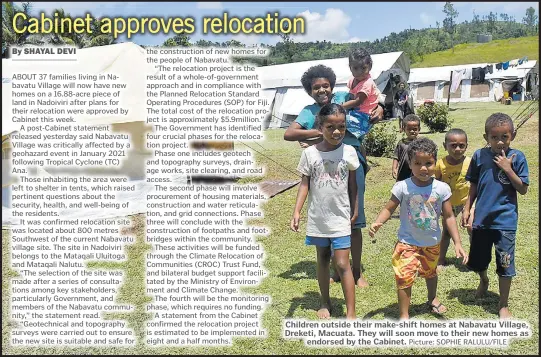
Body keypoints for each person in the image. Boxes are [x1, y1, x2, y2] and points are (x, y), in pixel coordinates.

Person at [284, 64, 385, 288]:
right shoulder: (310, 112)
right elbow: (289, 133)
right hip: (325, 167)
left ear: (332, 86)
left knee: (354, 220)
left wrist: (380, 109)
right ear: (310, 91)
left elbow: (369, 101)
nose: (322, 90)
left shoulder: (342, 97)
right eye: (316, 87)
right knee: (330, 217)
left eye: (325, 86)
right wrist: (318, 132)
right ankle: (337, 269)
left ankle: (356, 272)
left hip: (351, 162)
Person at [369, 137, 468, 320]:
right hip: (407, 242)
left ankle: (432, 299)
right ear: (410, 163)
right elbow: (389, 208)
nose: (423, 168)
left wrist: (458, 242)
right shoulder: (402, 187)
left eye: (428, 163)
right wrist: (378, 222)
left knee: (431, 273)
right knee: (404, 278)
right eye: (418, 163)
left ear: (435, 162)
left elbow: (448, 216)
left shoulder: (442, 188)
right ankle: (404, 314)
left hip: (432, 242)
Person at [290, 103, 358, 320]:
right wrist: (297, 211)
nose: (336, 132)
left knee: (341, 263)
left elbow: (354, 185)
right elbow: (304, 184)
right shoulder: (309, 154)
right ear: (320, 127)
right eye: (330, 127)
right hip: (318, 218)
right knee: (322, 258)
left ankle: (351, 312)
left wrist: (356, 208)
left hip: (341, 216)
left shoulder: (349, 151)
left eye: (341, 127)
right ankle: (324, 301)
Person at [462, 113, 529, 319]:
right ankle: (483, 280)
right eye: (494, 137)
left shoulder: (517, 158)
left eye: (505, 137)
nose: (500, 142)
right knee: (479, 260)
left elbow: (523, 189)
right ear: (486, 137)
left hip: (505, 222)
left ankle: (503, 304)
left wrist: (508, 169)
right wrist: (467, 208)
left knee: (505, 263)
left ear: (513, 136)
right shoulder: (479, 156)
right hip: (482, 220)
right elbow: (473, 185)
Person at [435, 128, 473, 273]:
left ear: (466, 146)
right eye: (453, 145)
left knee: (471, 227)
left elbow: (475, 183)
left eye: (461, 145)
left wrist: (470, 206)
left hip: (466, 202)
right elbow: (437, 184)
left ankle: (473, 258)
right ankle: (441, 259)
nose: (457, 149)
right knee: (446, 232)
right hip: (448, 203)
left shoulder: (470, 162)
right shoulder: (441, 164)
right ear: (445, 146)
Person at [341, 48, 380, 141]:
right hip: (355, 112)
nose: (359, 72)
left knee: (339, 123)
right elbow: (351, 94)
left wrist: (341, 106)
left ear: (370, 66)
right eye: (355, 68)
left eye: (363, 68)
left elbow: (357, 101)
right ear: (350, 67)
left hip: (365, 115)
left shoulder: (367, 83)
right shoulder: (352, 79)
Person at [392, 114, 420, 182]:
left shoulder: (421, 143)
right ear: (404, 129)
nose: (412, 131)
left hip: (416, 170)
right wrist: (394, 168)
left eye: (415, 129)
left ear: (419, 129)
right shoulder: (401, 143)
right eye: (409, 129)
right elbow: (396, 157)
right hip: (403, 171)